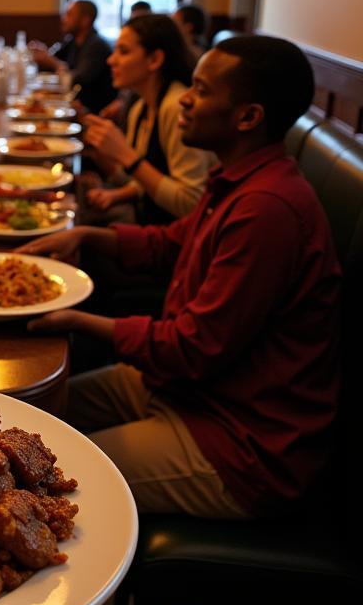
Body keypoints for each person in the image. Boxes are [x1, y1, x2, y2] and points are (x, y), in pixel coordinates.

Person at [22, 36, 341, 519]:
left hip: (241, 440)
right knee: (32, 419)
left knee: (47, 478)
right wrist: (86, 235)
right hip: (191, 390)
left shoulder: (266, 208)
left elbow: (193, 348)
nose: (185, 100)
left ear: (248, 117)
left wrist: (80, 320)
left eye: (200, 90)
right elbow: (171, 243)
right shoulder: (242, 178)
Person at [80, 14, 214, 224]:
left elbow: (191, 204)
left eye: (123, 51)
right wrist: (103, 158)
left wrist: (125, 155)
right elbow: (143, 180)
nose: (111, 60)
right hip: (148, 218)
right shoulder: (140, 106)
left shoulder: (176, 107)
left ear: (155, 60)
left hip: (174, 236)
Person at [29, 0, 116, 113]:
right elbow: (53, 60)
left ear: (85, 20)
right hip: (71, 106)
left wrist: (51, 61)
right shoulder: (72, 40)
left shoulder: (96, 46)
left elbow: (77, 81)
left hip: (90, 114)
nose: (64, 19)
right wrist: (44, 55)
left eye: (69, 15)